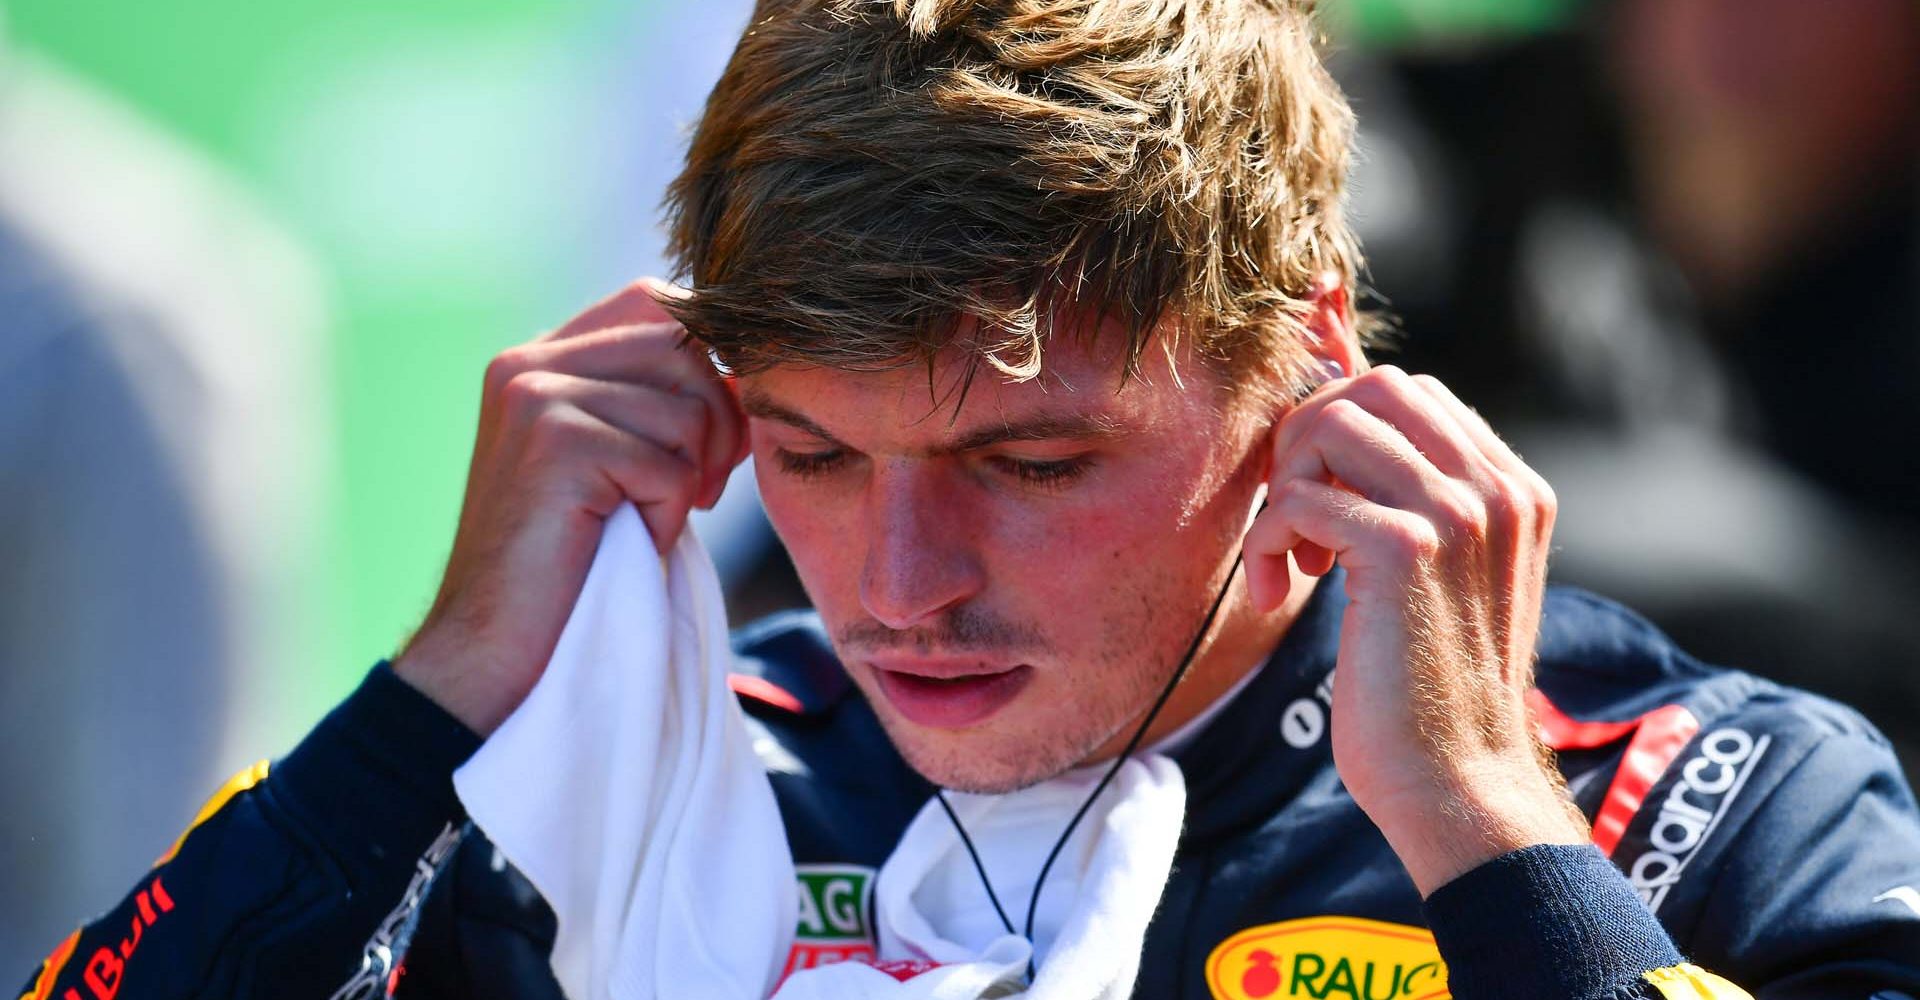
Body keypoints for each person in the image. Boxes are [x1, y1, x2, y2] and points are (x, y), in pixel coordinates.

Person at [18, 1, 1920, 998]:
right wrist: (433, 701)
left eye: (1031, 461)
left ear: (1309, 359)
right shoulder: (618, 809)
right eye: (819, 456)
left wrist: (1504, 856)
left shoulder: (1694, 805)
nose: (899, 581)